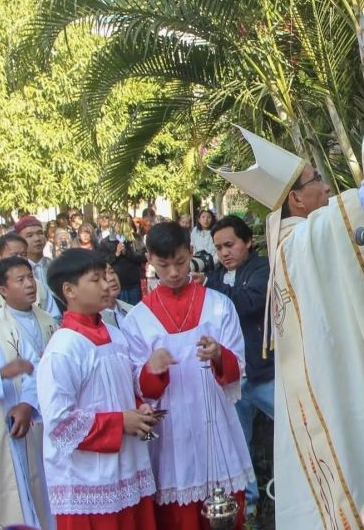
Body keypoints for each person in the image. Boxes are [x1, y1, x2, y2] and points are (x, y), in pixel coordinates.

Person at [214, 73, 364, 527]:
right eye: (316, 180)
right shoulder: (302, 243)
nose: (326, 187)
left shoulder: (292, 243)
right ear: (297, 201)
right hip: (338, 395)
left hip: (327, 389)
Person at [121, 221, 254, 529]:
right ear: (150, 260)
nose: (173, 272)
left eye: (180, 262)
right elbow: (138, 390)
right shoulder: (138, 319)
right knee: (179, 517)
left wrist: (220, 355)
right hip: (171, 435)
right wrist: (153, 368)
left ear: (191, 252)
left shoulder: (218, 306)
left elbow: (238, 369)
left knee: (225, 510)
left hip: (215, 422)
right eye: (163, 264)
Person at [38, 248, 160, 529]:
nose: (107, 285)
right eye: (96, 280)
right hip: (88, 479)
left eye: (106, 276)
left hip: (127, 468)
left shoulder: (116, 335)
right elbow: (60, 424)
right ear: (69, 290)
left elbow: (126, 388)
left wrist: (141, 407)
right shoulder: (64, 348)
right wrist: (120, 422)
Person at [203, 215, 271, 518]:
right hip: (232, 376)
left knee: (296, 425)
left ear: (248, 242)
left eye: (229, 245)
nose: (224, 253)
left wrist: (208, 291)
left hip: (263, 369)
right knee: (238, 443)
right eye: (219, 248)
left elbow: (252, 302)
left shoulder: (263, 268)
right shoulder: (216, 275)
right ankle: (249, 505)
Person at [0, 269, 51, 529]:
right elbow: (11, 370)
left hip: (22, 431)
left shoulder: (4, 326)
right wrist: (0, 374)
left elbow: (33, 366)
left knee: (34, 501)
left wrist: (27, 404)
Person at [0, 255, 58, 357]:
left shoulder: (47, 318)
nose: (29, 284)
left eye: (31, 277)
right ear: (3, 290)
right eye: (20, 280)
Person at [0, 233, 61, 316]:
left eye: (23, 254)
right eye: (14, 255)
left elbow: (55, 317)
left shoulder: (38, 285)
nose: (19, 259)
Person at [13, 215, 62, 319]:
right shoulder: (16, 272)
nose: (37, 239)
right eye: (29, 235)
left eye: (40, 233)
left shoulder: (57, 266)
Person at [98, 237, 146, 306]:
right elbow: (102, 262)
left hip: (133, 284)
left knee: (134, 310)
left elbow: (143, 257)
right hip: (116, 285)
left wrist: (126, 253)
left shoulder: (134, 238)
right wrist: (116, 254)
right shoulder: (105, 242)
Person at [101, 264, 135, 329]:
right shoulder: (93, 321)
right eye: (103, 276)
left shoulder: (132, 310)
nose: (112, 278)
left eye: (112, 272)